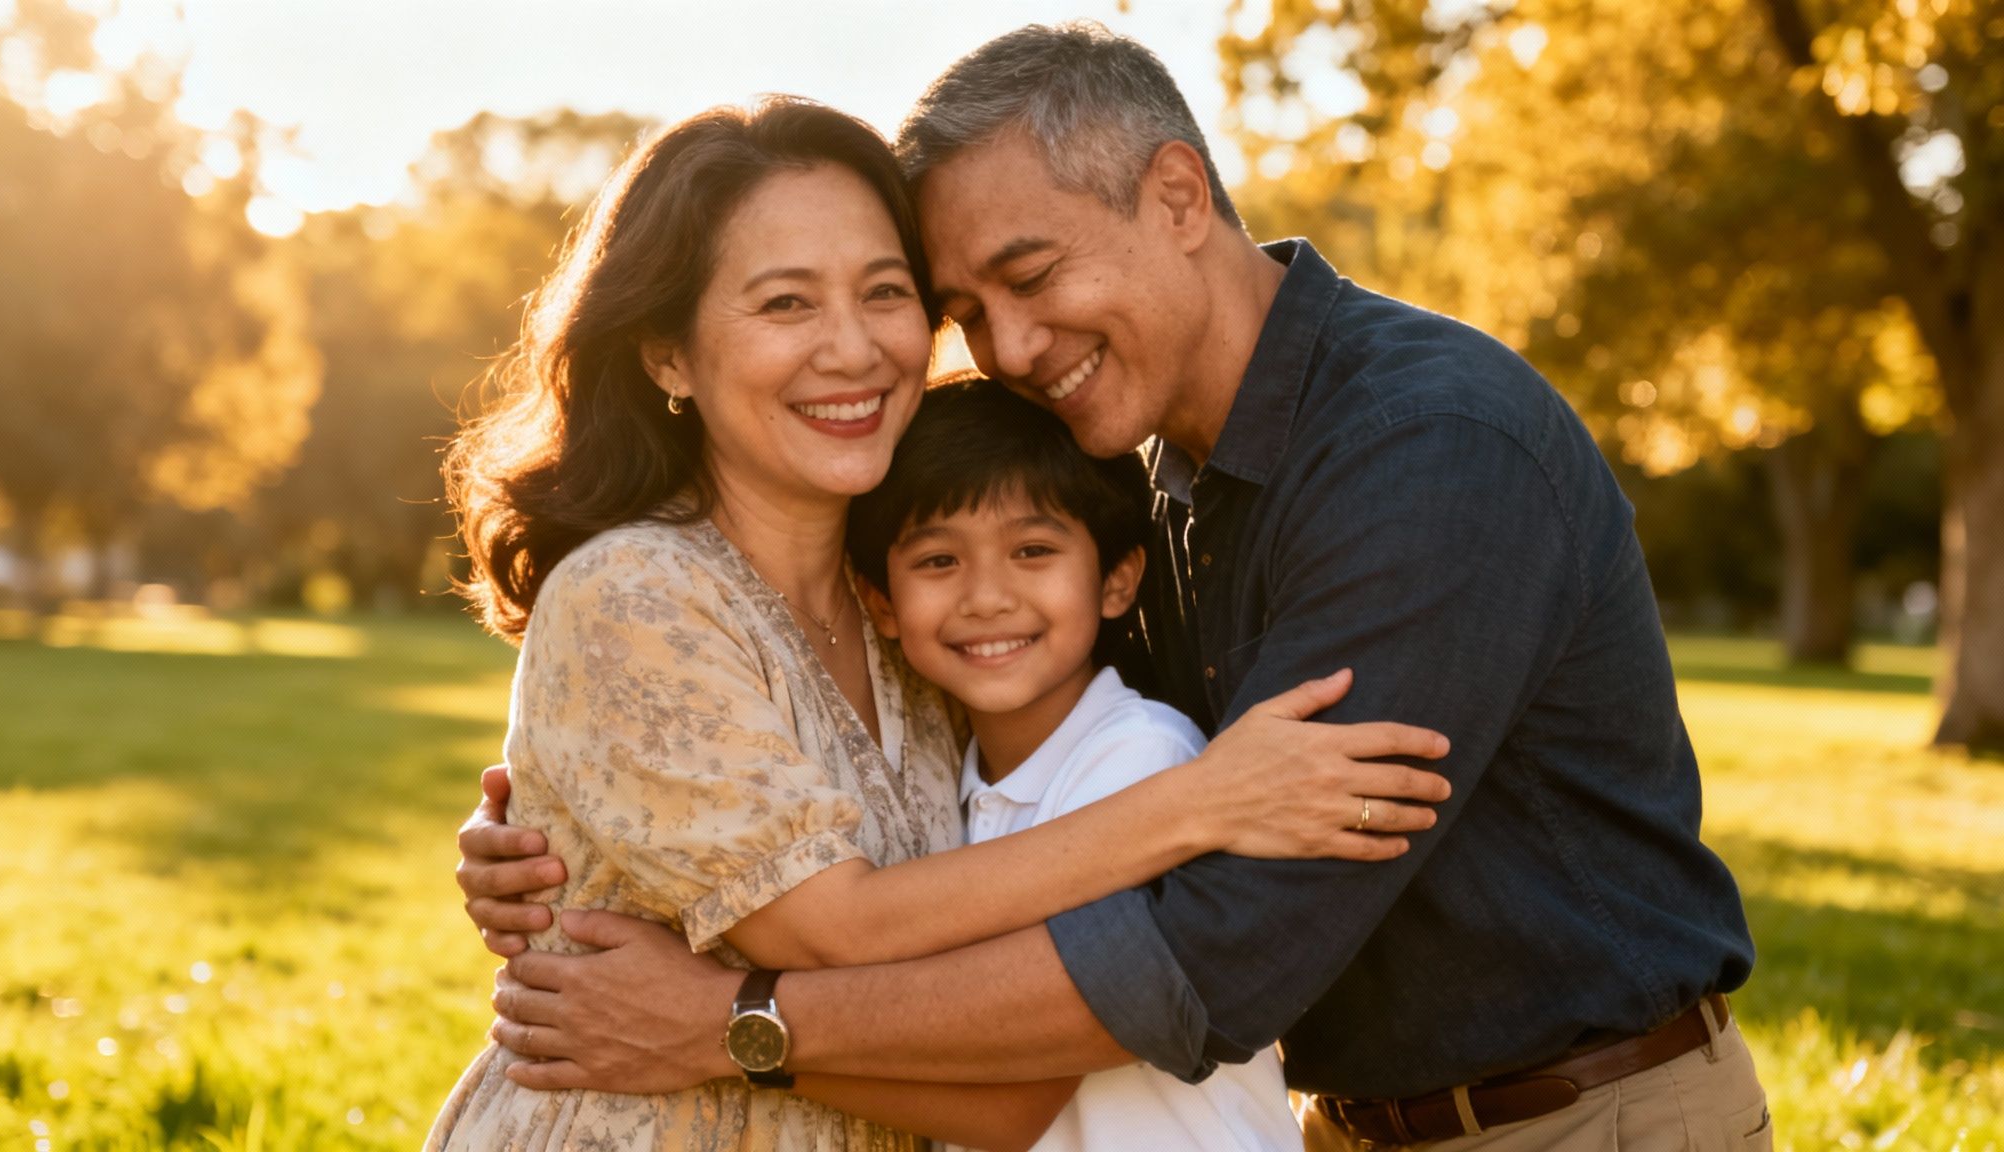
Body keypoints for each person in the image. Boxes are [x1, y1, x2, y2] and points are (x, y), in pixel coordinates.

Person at [458, 21, 1772, 1152]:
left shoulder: (1422, 456)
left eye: (1028, 277)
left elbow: (1205, 954)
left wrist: (731, 1021)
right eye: (969, 307)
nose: (1012, 349)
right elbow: (1004, 813)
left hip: (1579, 1123)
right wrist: (585, 850)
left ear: (1180, 198)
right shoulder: (1127, 496)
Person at [427, 94, 1453, 1152]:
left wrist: (687, 997)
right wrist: (1204, 801)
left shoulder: (915, 621)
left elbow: (1011, 1078)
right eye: (784, 304)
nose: (853, 348)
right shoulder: (637, 592)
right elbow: (833, 926)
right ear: (666, 355)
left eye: (885, 294)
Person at [842, 377, 1304, 1152]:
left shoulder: (1141, 759)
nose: (986, 596)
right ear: (882, 603)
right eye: (937, 559)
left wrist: (717, 1034)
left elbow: (1014, 1093)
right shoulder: (941, 785)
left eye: (1032, 551)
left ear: (1118, 579)